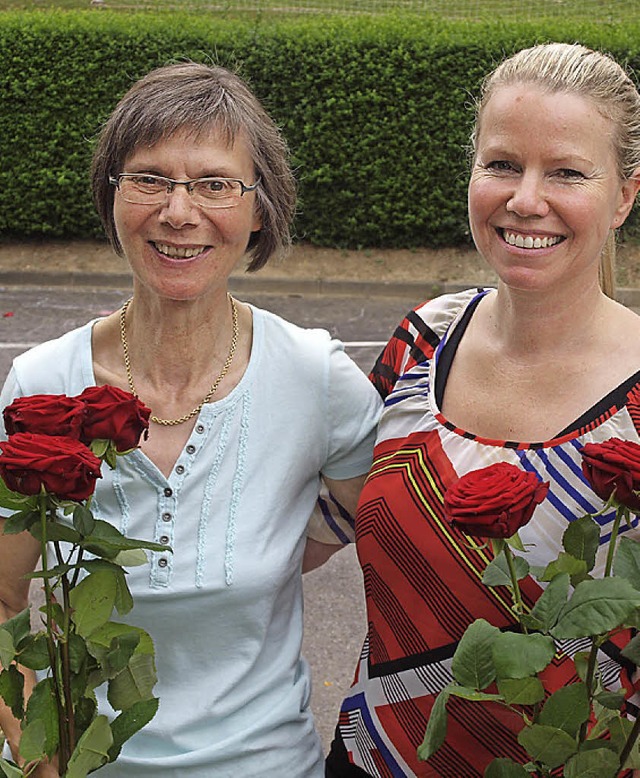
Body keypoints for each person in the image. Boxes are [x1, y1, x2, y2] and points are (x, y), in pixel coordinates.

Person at [0, 62, 382, 776]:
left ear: (260, 209)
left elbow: (393, 535)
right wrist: (39, 754)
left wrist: (279, 544)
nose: (179, 212)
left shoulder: (314, 377)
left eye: (215, 184)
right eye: (149, 179)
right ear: (112, 195)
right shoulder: (44, 386)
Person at [325, 42, 640, 776]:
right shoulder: (425, 336)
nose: (526, 199)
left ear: (625, 194)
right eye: (502, 164)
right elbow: (306, 531)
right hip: (378, 758)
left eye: (566, 171)